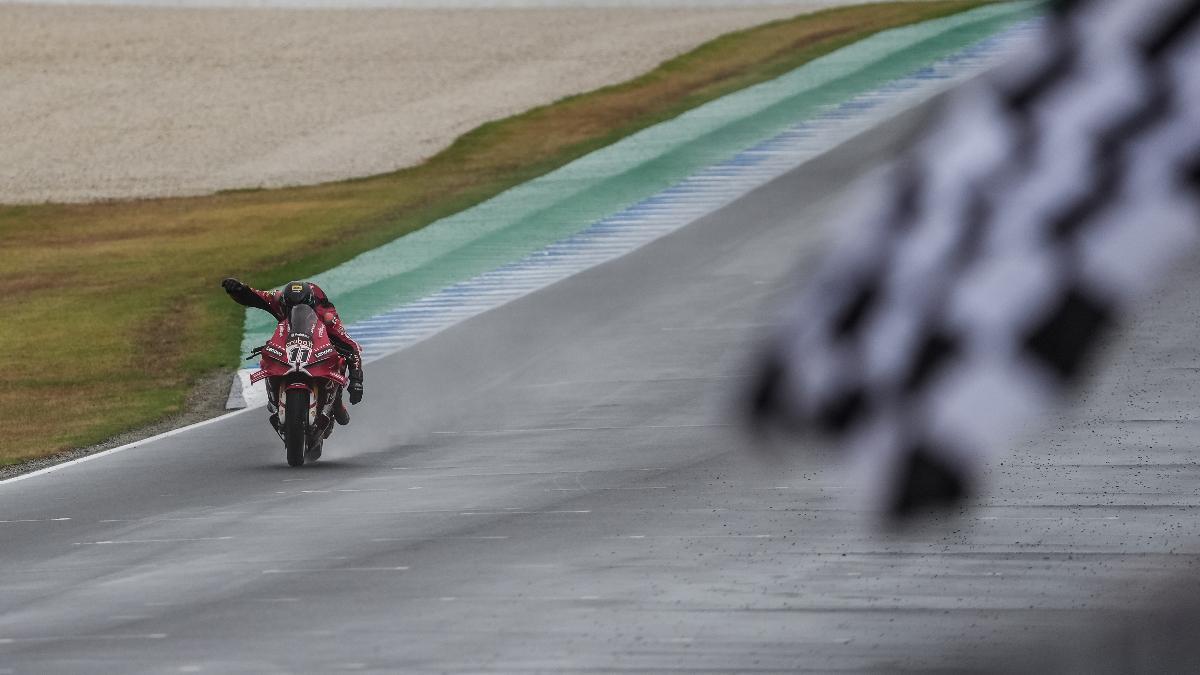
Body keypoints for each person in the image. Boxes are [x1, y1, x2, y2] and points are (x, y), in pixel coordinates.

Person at [222, 278, 364, 425]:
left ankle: (336, 402)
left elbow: (351, 346)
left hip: (319, 344)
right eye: (290, 307)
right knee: (265, 358)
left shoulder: (327, 314)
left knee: (340, 359)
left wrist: (356, 380)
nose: (295, 311)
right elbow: (255, 297)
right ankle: (274, 395)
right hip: (289, 342)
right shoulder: (279, 300)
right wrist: (237, 289)